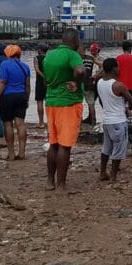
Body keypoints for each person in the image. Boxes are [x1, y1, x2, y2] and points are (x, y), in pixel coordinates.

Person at [43, 29, 87, 191]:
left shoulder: (50, 55)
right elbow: (81, 70)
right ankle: (61, 184)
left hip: (51, 102)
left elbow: (44, 77)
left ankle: (50, 181)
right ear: (75, 40)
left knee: (53, 144)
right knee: (65, 145)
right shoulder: (72, 54)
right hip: (68, 103)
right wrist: (77, 82)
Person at [97, 58, 132, 182]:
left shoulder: (100, 83)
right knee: (118, 149)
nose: (119, 69)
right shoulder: (118, 85)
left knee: (106, 148)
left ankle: (103, 172)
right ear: (114, 69)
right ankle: (113, 176)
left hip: (107, 120)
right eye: (118, 67)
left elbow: (105, 101)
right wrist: (129, 107)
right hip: (118, 121)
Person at [0, 45, 31, 161]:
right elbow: (28, 85)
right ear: (19, 54)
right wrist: (27, 99)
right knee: (21, 124)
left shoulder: (5, 65)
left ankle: (11, 154)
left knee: (7, 124)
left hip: (7, 97)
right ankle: (22, 152)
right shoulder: (25, 66)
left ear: (8, 54)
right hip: (21, 96)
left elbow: (2, 82)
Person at [81, 43, 104, 124]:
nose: (93, 52)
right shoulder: (90, 58)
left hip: (96, 82)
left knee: (97, 101)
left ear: (98, 50)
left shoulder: (97, 59)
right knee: (91, 102)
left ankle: (93, 118)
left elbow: (103, 67)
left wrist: (96, 75)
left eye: (94, 50)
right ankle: (91, 118)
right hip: (92, 82)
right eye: (92, 50)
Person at [116, 41, 132, 107]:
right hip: (131, 86)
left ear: (123, 49)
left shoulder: (118, 58)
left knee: (121, 104)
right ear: (130, 48)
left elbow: (115, 72)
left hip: (121, 86)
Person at [33, 45, 48, 128]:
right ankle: (50, 121)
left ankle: (41, 122)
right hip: (48, 82)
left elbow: (37, 69)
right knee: (48, 102)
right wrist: (47, 77)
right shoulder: (48, 58)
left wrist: (43, 77)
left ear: (40, 50)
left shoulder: (36, 58)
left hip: (39, 82)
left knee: (39, 102)